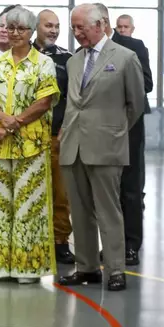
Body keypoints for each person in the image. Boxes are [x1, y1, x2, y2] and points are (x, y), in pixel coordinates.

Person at [58, 3, 144, 292]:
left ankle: (116, 269)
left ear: (102, 24)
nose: (76, 32)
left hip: (106, 147)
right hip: (74, 146)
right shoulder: (73, 61)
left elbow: (136, 106)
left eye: (81, 27)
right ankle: (87, 267)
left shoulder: (126, 58)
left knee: (109, 210)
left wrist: (114, 132)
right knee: (79, 212)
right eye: (74, 27)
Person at [0, 6, 60, 283]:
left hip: (31, 145)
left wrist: (15, 123)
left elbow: (44, 101)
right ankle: (2, 266)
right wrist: (3, 119)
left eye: (20, 29)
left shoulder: (43, 63)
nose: (14, 33)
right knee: (0, 206)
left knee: (28, 206)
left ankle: (27, 267)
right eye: (10, 28)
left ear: (31, 32)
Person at [96, 3, 152, 266]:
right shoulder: (89, 51)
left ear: (103, 23)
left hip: (128, 127)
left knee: (130, 190)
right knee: (107, 191)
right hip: (99, 129)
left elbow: (147, 84)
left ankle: (131, 245)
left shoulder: (134, 46)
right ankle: (109, 244)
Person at [33, 9, 75, 265]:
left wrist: (66, 129)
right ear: (36, 27)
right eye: (48, 25)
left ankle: (60, 242)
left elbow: (73, 98)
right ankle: (34, 241)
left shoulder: (67, 58)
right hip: (27, 137)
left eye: (57, 26)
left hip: (58, 136)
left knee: (61, 194)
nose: (54, 30)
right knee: (33, 193)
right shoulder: (23, 56)